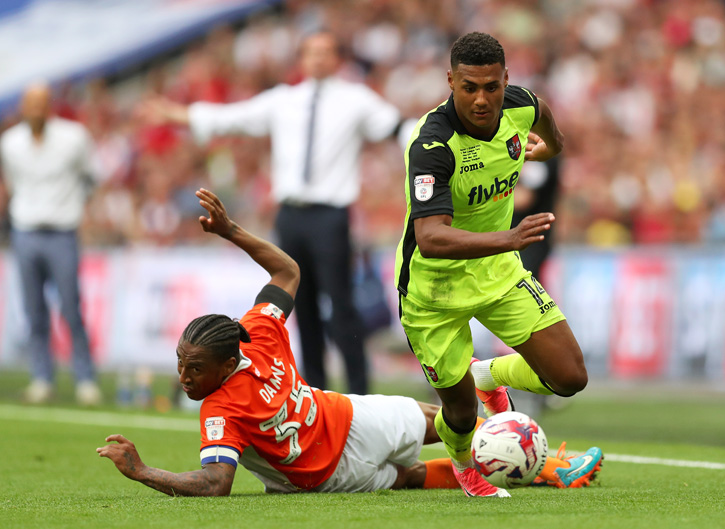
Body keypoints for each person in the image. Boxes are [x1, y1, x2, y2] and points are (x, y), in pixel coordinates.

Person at [96, 188, 587, 495]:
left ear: (228, 362)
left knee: (466, 423)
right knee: (416, 475)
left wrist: (232, 231)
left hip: (348, 415)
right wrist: (144, 472)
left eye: (193, 368)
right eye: (181, 364)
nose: (183, 377)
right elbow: (215, 482)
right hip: (330, 470)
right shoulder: (235, 377)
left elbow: (288, 269)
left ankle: (544, 465)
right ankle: (540, 466)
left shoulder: (252, 347)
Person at [395, 32, 602, 497]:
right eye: (469, 87)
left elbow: (544, 115)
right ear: (451, 81)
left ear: (506, 79)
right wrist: (508, 238)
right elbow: (430, 239)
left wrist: (550, 148)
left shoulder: (520, 105)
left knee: (570, 377)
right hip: (433, 290)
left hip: (497, 271)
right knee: (462, 413)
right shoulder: (432, 144)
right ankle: (465, 465)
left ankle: (485, 372)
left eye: (492, 86)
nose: (482, 98)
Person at [144, 31, 402, 395]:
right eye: (311, 52)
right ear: (302, 58)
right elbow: (232, 118)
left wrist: (437, 137)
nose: (317, 59)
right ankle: (316, 392)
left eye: (325, 52)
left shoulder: (356, 100)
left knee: (342, 307)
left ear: (337, 59)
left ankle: (359, 394)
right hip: (291, 215)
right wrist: (179, 114)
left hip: (331, 214)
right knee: (303, 308)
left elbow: (396, 127)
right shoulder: (285, 101)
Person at [0, 82, 101, 405]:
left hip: (61, 230)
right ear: (23, 108)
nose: (36, 110)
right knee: (34, 310)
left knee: (71, 307)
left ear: (50, 106)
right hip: (26, 230)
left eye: (41, 103)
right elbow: (13, 183)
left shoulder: (73, 138)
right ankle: (41, 377)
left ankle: (85, 378)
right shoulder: (10, 143)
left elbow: (91, 177)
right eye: (31, 103)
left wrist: (69, 205)